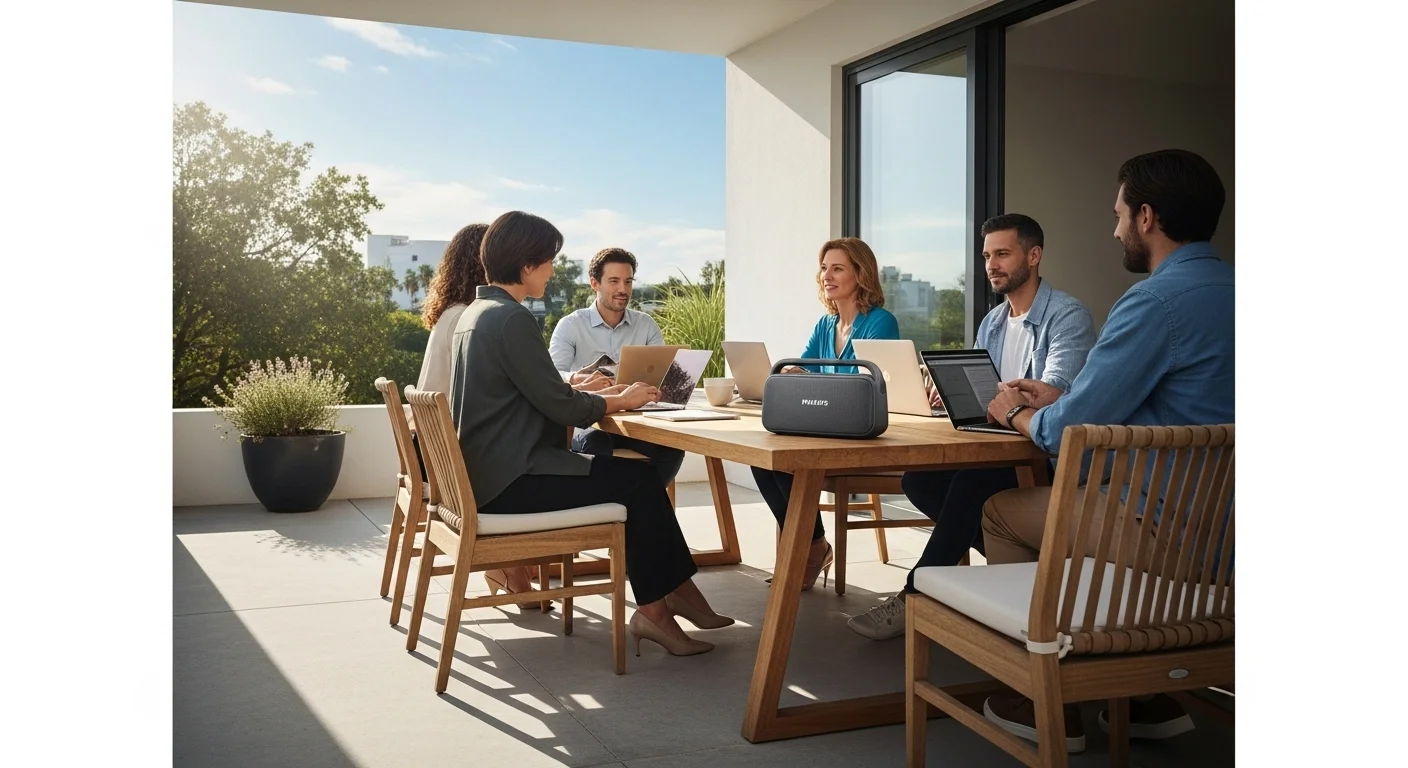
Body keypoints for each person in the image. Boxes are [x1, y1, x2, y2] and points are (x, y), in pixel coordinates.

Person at [976, 149, 1235, 752]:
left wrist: (1016, 411)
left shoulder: (1153, 303)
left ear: (1147, 217)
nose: (1114, 228)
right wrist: (1060, 396)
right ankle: (1146, 697)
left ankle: (1048, 696)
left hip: (1166, 537)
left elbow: (1069, 429)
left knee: (1000, 510)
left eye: (1118, 214)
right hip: (1235, 540)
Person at [451, 210, 733, 656]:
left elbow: (535, 390)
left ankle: (671, 596)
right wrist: (619, 400)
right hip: (511, 480)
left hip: (490, 473)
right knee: (637, 482)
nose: (551, 269)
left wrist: (581, 387)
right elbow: (559, 406)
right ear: (527, 264)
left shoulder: (478, 314)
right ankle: (659, 609)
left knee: (635, 479)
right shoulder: (511, 319)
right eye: (548, 260)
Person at [847, 214, 1095, 640]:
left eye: (1002, 253)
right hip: (999, 445)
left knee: (969, 484)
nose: (991, 264)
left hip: (1045, 453)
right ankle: (1011, 569)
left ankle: (916, 595)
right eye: (986, 256)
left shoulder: (1067, 316)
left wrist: (1008, 401)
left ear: (1033, 256)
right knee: (918, 483)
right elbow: (989, 396)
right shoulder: (993, 322)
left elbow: (1055, 393)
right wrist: (952, 394)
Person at [750, 237, 901, 591]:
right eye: (823, 268)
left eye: (837, 268)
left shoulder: (880, 322)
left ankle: (810, 548)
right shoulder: (824, 324)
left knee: (789, 460)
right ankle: (815, 544)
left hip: (863, 435)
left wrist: (812, 381)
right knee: (763, 458)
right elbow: (804, 372)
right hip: (825, 428)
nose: (826, 276)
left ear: (860, 274)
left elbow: (862, 390)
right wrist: (794, 377)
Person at [548, 247, 685, 486]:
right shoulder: (570, 325)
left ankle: (639, 509)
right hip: (590, 423)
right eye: (614, 281)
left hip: (639, 423)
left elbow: (665, 374)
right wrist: (575, 378)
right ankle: (624, 510)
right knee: (596, 447)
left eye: (628, 281)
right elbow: (552, 376)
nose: (623, 289)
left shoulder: (646, 325)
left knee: (673, 449)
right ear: (594, 284)